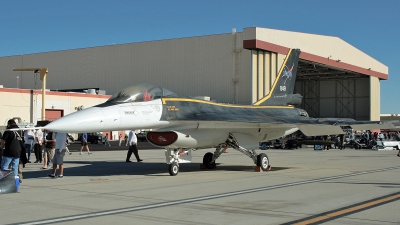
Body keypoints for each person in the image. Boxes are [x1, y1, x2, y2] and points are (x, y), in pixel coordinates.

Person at [0, 119, 22, 187]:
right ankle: (15, 183)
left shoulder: (8, 130)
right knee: (15, 167)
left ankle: (4, 181)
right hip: (18, 151)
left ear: (9, 124)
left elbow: (3, 141)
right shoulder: (20, 130)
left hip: (9, 151)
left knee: (4, 166)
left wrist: (1, 147)